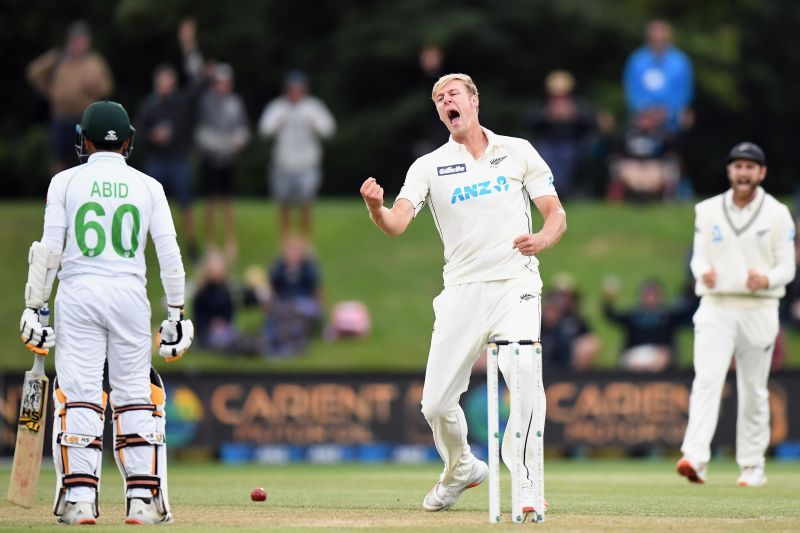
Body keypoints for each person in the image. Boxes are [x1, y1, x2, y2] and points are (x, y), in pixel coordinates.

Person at [359, 73, 566, 517]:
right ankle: (461, 469)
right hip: (462, 290)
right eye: (438, 99)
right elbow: (396, 224)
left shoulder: (518, 150)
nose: (444, 102)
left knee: (524, 378)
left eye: (452, 94)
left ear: (473, 100)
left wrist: (543, 240)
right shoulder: (428, 166)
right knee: (435, 403)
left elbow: (555, 213)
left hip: (516, 284)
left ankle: (528, 487)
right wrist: (377, 208)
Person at [17, 100, 194, 524]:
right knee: (134, 394)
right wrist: (176, 314)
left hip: (78, 294)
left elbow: (50, 251)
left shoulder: (64, 182)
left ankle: (79, 498)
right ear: (129, 141)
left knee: (79, 392)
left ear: (83, 140)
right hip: (130, 295)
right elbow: (169, 255)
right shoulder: (149, 186)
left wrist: (34, 308)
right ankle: (142, 501)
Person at [677, 142, 795, 487]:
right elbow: (698, 257)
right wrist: (703, 273)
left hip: (759, 307)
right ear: (730, 171)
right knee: (706, 381)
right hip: (715, 306)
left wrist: (767, 279)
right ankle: (695, 459)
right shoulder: (708, 210)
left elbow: (788, 266)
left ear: (761, 173)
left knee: (753, 389)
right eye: (738, 166)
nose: (743, 173)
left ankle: (752, 466)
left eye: (750, 167)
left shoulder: (777, 213)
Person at [137, 18, 205, 262]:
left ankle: (192, 246)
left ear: (173, 81)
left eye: (168, 78)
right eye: (161, 79)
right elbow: (138, 134)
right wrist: (152, 136)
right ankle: (140, 247)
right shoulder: (149, 106)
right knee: (146, 205)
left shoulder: (182, 103)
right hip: (157, 160)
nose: (164, 83)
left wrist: (188, 44)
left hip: (178, 160)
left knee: (186, 204)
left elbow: (198, 80)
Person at [26, 20, 114, 174]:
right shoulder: (59, 60)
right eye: (74, 40)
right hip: (60, 117)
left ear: (87, 41)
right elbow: (33, 72)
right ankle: (57, 194)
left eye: (81, 40)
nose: (77, 44)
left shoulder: (94, 62)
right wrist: (50, 89)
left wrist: (91, 86)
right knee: (59, 159)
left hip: (86, 120)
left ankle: (86, 193)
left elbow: (107, 88)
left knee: (87, 159)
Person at [258, 71, 336, 239]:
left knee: (306, 203)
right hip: (283, 164)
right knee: (283, 204)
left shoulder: (313, 107)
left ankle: (305, 241)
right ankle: (285, 240)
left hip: (307, 164)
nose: (295, 92)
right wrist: (277, 124)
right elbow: (264, 130)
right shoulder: (277, 107)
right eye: (292, 88)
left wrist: (315, 125)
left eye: (298, 88)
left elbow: (329, 129)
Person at [195, 63, 250, 260]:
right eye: (218, 82)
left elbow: (242, 127)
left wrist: (239, 139)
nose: (222, 86)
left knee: (228, 201)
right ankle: (210, 242)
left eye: (225, 82)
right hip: (210, 156)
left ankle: (230, 240)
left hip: (228, 157)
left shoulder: (235, 103)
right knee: (209, 201)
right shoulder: (205, 102)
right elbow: (201, 131)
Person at [526, 70, 597, 198]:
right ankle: (547, 191)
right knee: (545, 157)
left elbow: (590, 124)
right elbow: (530, 123)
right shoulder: (543, 105)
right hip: (546, 142)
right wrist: (546, 116)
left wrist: (575, 116)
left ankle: (563, 191)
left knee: (568, 156)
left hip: (571, 142)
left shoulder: (577, 104)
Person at [623, 19, 693, 134]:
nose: (658, 43)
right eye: (655, 40)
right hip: (642, 118)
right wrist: (646, 111)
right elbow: (631, 90)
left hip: (671, 120)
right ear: (648, 39)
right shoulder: (637, 60)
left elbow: (684, 92)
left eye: (662, 40)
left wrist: (666, 111)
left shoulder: (680, 61)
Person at [602, 277, 687, 372]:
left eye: (654, 295)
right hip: (635, 353)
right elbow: (611, 316)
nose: (651, 298)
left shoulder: (668, 316)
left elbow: (687, 312)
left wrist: (689, 290)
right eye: (648, 295)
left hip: (660, 354)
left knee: (663, 355)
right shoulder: (633, 315)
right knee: (636, 362)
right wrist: (608, 299)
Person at [263, 235, 323, 357]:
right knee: (280, 313)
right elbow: (272, 286)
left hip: (303, 303)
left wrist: (320, 307)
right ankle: (272, 343)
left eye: (295, 251)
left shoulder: (307, 267)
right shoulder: (279, 267)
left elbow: (317, 289)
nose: (292, 254)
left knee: (293, 313)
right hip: (285, 303)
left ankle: (294, 344)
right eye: (290, 251)